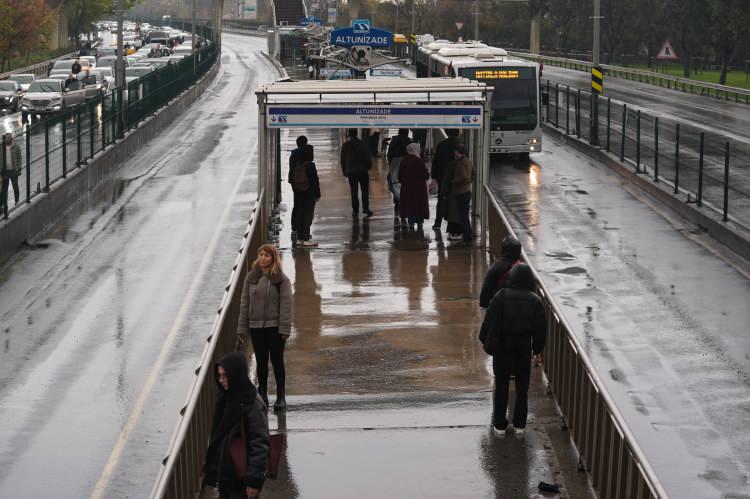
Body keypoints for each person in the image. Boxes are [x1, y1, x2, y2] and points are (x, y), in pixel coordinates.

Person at [479, 263, 546, 436]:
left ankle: (500, 424)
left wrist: (483, 338)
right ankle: (519, 425)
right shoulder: (535, 300)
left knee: (501, 384)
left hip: (502, 346)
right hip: (523, 347)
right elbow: (540, 328)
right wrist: (537, 348)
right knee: (522, 387)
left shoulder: (501, 296)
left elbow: (489, 320)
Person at [203, 352, 270, 499]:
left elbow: (259, 441)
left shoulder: (251, 402)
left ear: (236, 374)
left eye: (225, 375)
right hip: (226, 476)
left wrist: (253, 482)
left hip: (242, 478)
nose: (221, 380)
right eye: (219, 376)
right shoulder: (226, 398)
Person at [237, 244, 293, 410]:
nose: (263, 258)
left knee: (277, 362)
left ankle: (281, 396)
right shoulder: (251, 277)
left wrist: (284, 329)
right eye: (261, 254)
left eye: (267, 255)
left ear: (273, 258)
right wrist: (242, 328)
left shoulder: (281, 279)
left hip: (274, 328)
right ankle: (262, 395)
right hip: (256, 327)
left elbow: (286, 306)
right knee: (261, 362)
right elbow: (244, 303)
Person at [290, 146, 321, 247]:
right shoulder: (310, 165)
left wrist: (295, 190)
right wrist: (317, 194)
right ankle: (306, 238)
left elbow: (291, 178)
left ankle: (300, 238)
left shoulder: (296, 164)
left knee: (300, 213)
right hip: (309, 193)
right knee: (308, 215)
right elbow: (315, 181)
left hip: (298, 193)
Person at [479, 237, 522, 308]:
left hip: (499, 303)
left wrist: (484, 303)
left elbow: (487, 286)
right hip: (518, 306)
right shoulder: (521, 267)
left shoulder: (496, 266)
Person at [431, 130, 460, 231]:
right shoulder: (460, 146)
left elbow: (435, 161)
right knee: (455, 201)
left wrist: (434, 176)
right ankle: (451, 224)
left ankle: (437, 222)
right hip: (456, 178)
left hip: (442, 176)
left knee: (441, 198)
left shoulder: (441, 145)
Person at [340, 128, 373, 218]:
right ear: (356, 134)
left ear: (349, 134)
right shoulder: (362, 143)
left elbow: (342, 160)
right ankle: (366, 209)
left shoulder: (345, 145)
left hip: (351, 172)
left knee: (354, 192)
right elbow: (367, 156)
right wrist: (369, 166)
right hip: (362, 171)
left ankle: (355, 210)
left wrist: (344, 171)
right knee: (365, 191)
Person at [398, 143, 430, 230]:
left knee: (409, 204)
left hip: (407, 188)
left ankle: (411, 223)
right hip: (419, 188)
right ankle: (420, 223)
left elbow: (400, 176)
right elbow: (426, 175)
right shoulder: (419, 161)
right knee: (419, 205)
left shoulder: (404, 161)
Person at [450, 144, 474, 244]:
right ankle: (468, 235)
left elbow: (464, 177)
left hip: (461, 192)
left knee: (463, 217)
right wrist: (469, 182)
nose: (454, 153)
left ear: (459, 152)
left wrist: (454, 181)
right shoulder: (468, 161)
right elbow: (473, 173)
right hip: (467, 191)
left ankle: (467, 238)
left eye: (455, 151)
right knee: (465, 215)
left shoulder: (460, 163)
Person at [386, 129, 411, 224]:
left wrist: (391, 163)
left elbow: (389, 154)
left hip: (394, 164)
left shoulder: (394, 140)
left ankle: (397, 208)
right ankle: (405, 210)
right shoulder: (409, 141)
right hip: (406, 164)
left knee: (395, 184)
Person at [288, 136, 310, 236]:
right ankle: (304, 228)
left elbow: (291, 168)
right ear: (306, 143)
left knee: (297, 204)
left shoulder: (293, 154)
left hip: (295, 182)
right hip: (307, 182)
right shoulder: (308, 153)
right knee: (306, 206)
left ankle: (294, 227)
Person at [1, 133, 22, 213]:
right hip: (5, 171)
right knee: (4, 189)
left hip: (14, 170)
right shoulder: (2, 147)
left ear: (12, 138)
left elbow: (19, 158)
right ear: (5, 139)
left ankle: (17, 200)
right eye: (7, 138)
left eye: (10, 138)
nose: (8, 139)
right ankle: (2, 204)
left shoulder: (16, 146)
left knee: (15, 186)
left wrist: (19, 169)